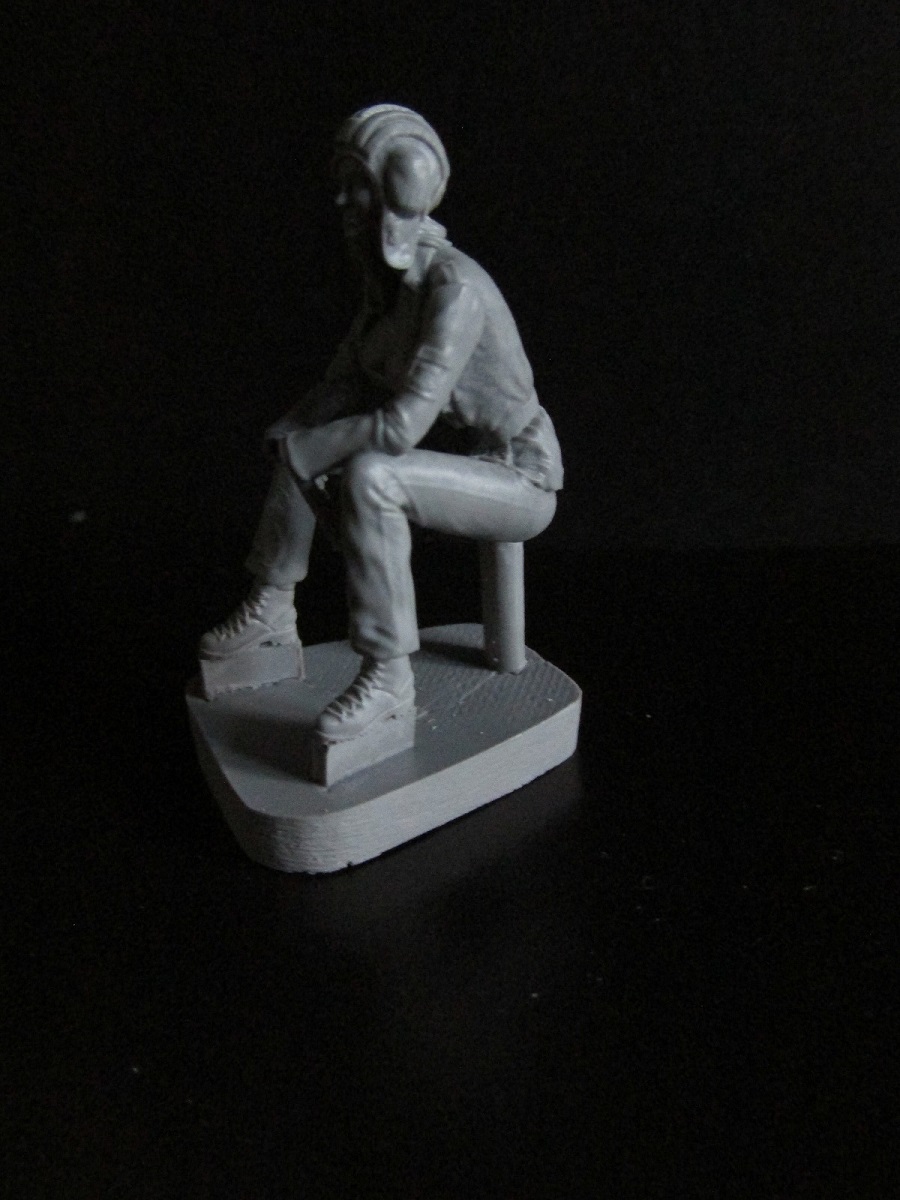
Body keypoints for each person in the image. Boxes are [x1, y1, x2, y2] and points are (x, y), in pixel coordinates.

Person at [200, 104, 563, 742]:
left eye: (357, 185)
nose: (342, 200)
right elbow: (345, 381)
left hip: (520, 477)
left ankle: (389, 679)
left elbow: (399, 428)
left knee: (372, 475)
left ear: (397, 196)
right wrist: (293, 433)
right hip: (469, 461)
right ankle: (271, 610)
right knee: (299, 437)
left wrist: (310, 449)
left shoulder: (454, 290)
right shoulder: (389, 290)